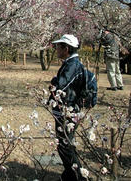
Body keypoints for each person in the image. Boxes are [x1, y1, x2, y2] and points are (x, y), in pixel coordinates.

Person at [50, 34, 86, 181]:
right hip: (65, 109)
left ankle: (76, 177)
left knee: (65, 145)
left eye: (58, 46)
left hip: (67, 110)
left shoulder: (72, 65)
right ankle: (70, 174)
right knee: (65, 144)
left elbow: (61, 85)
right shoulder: (70, 63)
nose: (56, 49)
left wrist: (54, 81)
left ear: (66, 48)